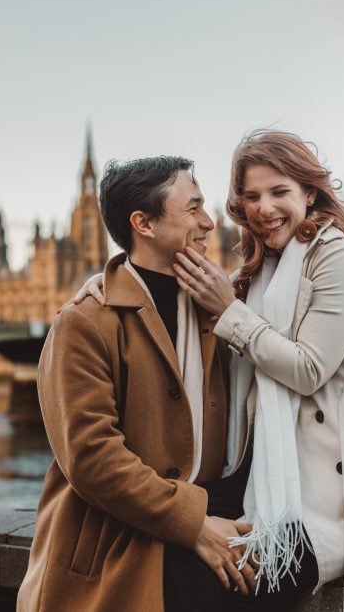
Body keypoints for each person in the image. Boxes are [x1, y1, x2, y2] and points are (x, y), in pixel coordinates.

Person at [80, 131, 344, 611]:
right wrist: (109, 281)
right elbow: (163, 278)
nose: (264, 208)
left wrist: (229, 312)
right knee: (152, 551)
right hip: (263, 477)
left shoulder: (335, 257)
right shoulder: (260, 268)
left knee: (197, 582)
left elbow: (309, 370)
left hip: (333, 492)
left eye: (279, 193)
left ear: (309, 193)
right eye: (250, 196)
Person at [17, 156, 258, 612]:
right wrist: (193, 525)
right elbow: (91, 458)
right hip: (115, 548)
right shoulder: (85, 321)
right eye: (193, 209)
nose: (208, 222)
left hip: (214, 524)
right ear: (143, 223)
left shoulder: (219, 308)